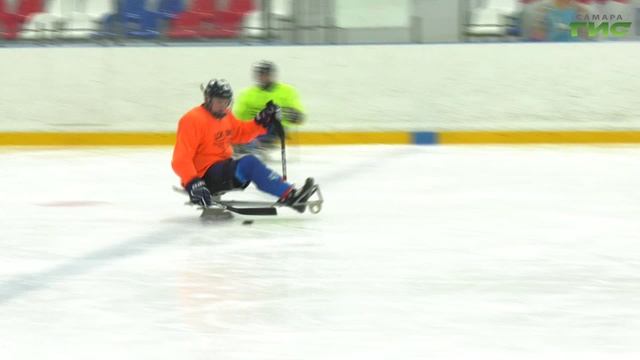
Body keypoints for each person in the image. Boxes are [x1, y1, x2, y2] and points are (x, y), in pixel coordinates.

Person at [171, 79, 315, 213]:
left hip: (221, 168)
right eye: (219, 101)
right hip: (203, 176)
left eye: (226, 102)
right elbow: (180, 159)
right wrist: (193, 183)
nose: (223, 105)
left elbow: (241, 133)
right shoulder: (192, 120)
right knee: (249, 163)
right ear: (208, 99)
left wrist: (260, 121)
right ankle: (290, 196)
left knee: (249, 164)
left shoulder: (226, 115)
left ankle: (289, 193)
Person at [232, 60, 305, 157]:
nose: (263, 77)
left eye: (266, 74)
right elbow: (237, 116)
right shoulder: (247, 94)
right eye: (261, 74)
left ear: (272, 75)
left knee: (271, 115)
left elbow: (298, 114)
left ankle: (256, 144)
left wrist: (296, 115)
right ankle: (248, 144)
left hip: (276, 127)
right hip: (254, 125)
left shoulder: (287, 91)